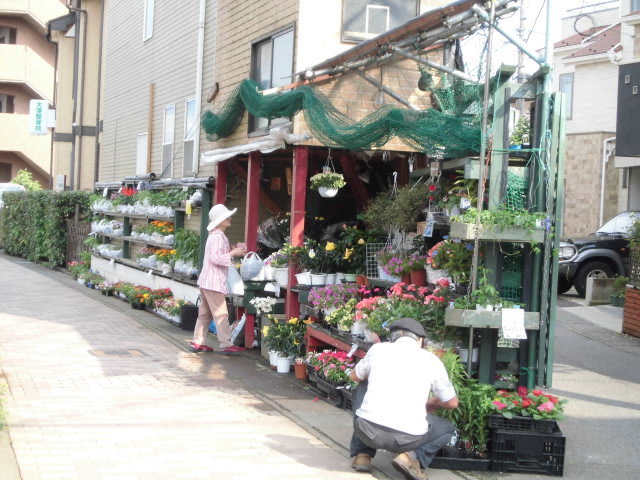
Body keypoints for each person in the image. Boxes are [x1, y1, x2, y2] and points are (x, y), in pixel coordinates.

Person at [349, 317, 458, 480]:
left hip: (366, 431)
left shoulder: (378, 350)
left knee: (362, 386)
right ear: (420, 340)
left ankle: (362, 454)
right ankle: (410, 457)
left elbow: (354, 376)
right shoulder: (431, 360)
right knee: (447, 428)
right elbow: (452, 402)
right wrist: (432, 402)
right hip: (408, 439)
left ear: (392, 338)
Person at [191, 204, 247, 354]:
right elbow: (216, 258)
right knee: (221, 313)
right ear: (220, 220)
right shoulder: (218, 236)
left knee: (205, 313)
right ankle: (226, 344)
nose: (229, 218)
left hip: (206, 281)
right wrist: (233, 253)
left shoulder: (214, 235)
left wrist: (232, 250)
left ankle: (198, 342)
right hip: (214, 281)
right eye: (226, 217)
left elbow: (214, 256)